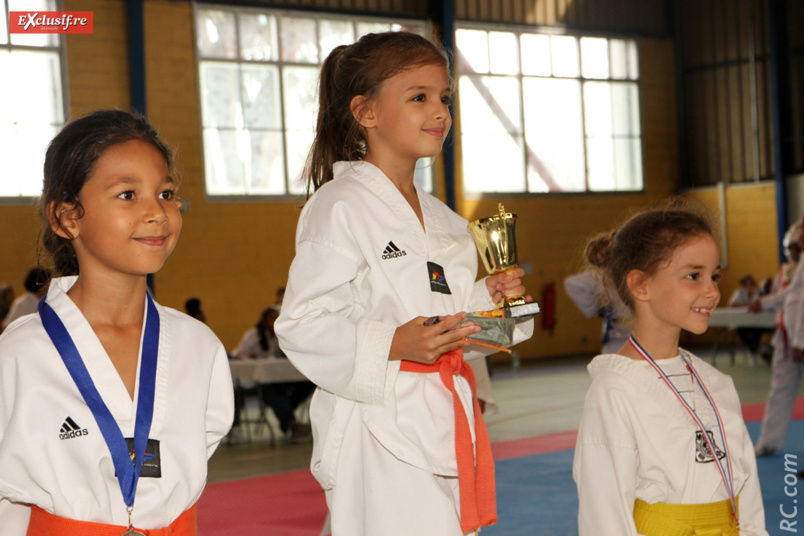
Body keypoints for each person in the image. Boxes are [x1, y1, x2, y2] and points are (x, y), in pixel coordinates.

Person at [275, 31, 533, 536]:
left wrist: (501, 303)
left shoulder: (447, 222)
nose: (438, 112)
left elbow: (461, 335)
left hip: (446, 417)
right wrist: (395, 342)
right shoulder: (339, 205)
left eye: (444, 98)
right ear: (365, 112)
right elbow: (302, 324)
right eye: (419, 97)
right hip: (377, 427)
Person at [0, 110, 233, 535]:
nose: (158, 213)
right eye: (128, 194)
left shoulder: (197, 346)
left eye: (165, 193)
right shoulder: (20, 354)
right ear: (67, 218)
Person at [573, 206, 768, 535]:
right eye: (694, 276)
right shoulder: (615, 390)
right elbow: (604, 516)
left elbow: (748, 500)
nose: (712, 291)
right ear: (640, 285)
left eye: (714, 276)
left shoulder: (716, 383)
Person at [750, 218, 804, 457]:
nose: (793, 251)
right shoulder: (793, 268)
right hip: (785, 339)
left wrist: (800, 340)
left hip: (799, 341)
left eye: (797, 247)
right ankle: (769, 441)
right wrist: (763, 303)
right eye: (791, 247)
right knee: (779, 391)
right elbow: (789, 295)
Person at [231, 307, 314, 442]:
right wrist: (248, 356)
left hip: (278, 378)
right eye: (271, 318)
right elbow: (235, 354)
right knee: (271, 392)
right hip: (256, 381)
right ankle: (292, 424)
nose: (275, 320)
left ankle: (287, 418)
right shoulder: (254, 335)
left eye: (277, 317)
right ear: (264, 321)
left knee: (307, 383)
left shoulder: (280, 335)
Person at [564, 267, 631, 355]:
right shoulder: (605, 274)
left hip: (632, 331)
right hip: (620, 332)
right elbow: (572, 283)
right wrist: (598, 310)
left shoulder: (605, 274)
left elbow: (573, 283)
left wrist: (597, 310)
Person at [727, 274, 770, 357]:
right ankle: (754, 349)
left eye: (753, 283)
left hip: (757, 321)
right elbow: (732, 305)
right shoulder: (739, 292)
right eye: (750, 283)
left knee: (757, 329)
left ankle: (754, 350)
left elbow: (763, 304)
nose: (752, 285)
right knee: (740, 330)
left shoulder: (759, 292)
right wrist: (749, 306)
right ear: (745, 285)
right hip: (743, 322)